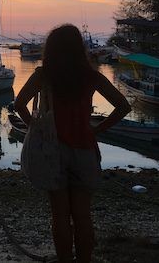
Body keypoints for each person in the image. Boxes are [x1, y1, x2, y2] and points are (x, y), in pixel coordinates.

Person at [14, 24, 131, 263]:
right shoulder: (91, 77)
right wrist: (98, 129)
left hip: (52, 150)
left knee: (59, 215)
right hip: (85, 149)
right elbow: (123, 106)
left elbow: (19, 105)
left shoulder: (43, 75)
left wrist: (36, 128)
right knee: (83, 216)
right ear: (80, 49)